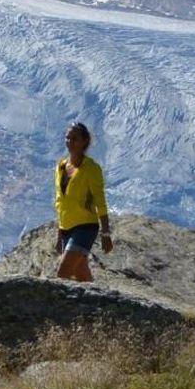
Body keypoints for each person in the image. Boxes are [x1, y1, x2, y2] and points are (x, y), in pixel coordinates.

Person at [52, 121, 113, 283]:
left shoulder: (91, 168)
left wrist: (106, 233)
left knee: (62, 272)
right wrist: (59, 236)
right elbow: (60, 203)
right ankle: (99, 302)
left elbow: (100, 200)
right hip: (66, 228)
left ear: (84, 142)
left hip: (85, 227)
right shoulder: (61, 167)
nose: (70, 142)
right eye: (67, 138)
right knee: (81, 273)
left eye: (75, 139)